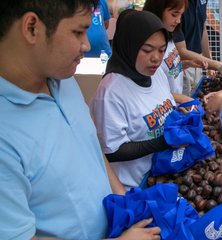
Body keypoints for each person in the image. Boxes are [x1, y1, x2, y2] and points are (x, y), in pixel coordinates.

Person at [0, 0, 159, 239]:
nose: (87, 44)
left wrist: (123, 202)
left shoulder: (63, 80)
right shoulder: (5, 135)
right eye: (78, 32)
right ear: (32, 27)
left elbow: (92, 148)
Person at [90, 10, 184, 190]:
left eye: (162, 50)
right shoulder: (110, 93)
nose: (156, 58)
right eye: (147, 50)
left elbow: (163, 103)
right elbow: (113, 150)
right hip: (134, 188)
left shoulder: (157, 74)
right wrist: (163, 142)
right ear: (129, 46)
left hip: (161, 174)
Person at [175, 0, 222, 96]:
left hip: (196, 61)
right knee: (183, 101)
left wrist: (209, 62)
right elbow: (181, 51)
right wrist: (219, 66)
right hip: (180, 67)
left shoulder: (201, 1)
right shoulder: (178, 5)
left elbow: (202, 29)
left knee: (194, 95)